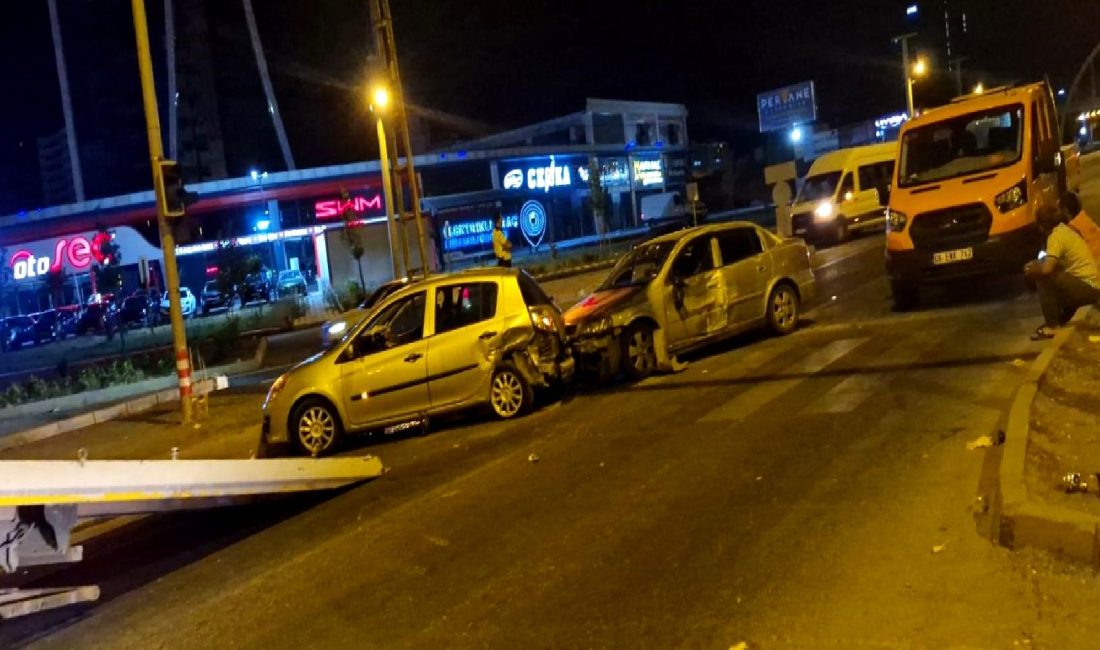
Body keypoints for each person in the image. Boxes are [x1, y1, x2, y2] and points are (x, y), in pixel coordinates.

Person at [1024, 202, 1100, 340]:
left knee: (1043, 278)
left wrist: (1031, 270)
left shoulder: (1055, 236)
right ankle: (1061, 318)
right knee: (1055, 274)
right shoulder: (1065, 229)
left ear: (1041, 226)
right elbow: (1053, 262)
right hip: (1091, 284)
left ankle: (1052, 326)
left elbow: (1047, 270)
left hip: (1088, 287)